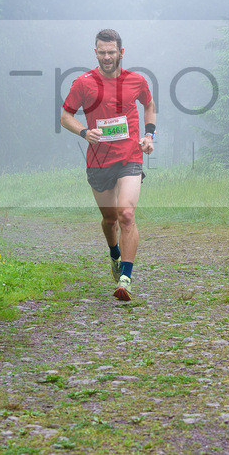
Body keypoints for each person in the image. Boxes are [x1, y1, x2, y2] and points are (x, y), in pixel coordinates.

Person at [60, 28, 156, 301]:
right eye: (101, 52)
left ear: (121, 53)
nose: (106, 57)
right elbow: (66, 116)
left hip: (130, 157)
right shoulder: (83, 82)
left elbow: (149, 105)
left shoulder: (136, 80)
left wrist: (149, 135)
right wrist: (83, 132)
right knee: (110, 219)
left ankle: (125, 278)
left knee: (126, 214)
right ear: (95, 52)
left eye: (111, 52)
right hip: (99, 160)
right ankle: (114, 254)